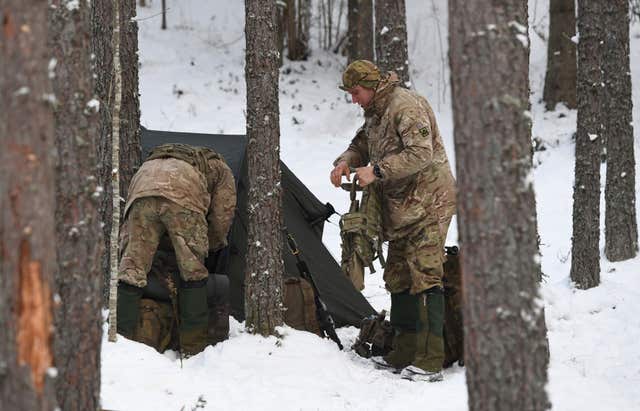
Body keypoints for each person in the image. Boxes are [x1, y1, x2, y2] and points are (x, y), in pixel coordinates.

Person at [330, 60, 456, 382]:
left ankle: (430, 361)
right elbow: (361, 144)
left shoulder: (405, 106)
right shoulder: (375, 112)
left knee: (425, 275)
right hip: (401, 208)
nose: (354, 99)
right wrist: (346, 162)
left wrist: (377, 170)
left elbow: (421, 153)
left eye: (356, 92)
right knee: (398, 274)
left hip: (429, 204)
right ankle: (403, 351)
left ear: (370, 86)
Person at [116, 143, 236, 356]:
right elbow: (221, 216)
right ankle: (193, 348)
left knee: (131, 270)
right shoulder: (222, 169)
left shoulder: (157, 158)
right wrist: (210, 245)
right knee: (193, 274)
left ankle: (120, 340)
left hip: (141, 191)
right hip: (184, 196)